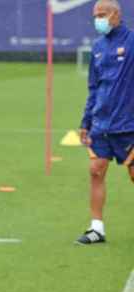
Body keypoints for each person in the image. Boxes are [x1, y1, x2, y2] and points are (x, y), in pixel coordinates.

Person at [77, 0, 134, 245]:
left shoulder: (132, 41)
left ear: (116, 15)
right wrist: (85, 121)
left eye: (103, 14)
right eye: (95, 15)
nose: (98, 19)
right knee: (95, 171)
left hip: (129, 124)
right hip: (101, 123)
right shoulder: (98, 47)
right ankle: (96, 228)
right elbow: (94, 87)